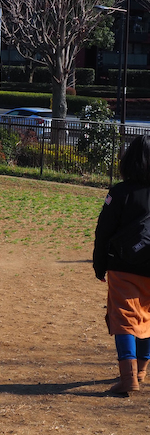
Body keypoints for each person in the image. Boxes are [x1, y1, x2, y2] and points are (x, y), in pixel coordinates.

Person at [93, 134, 150, 395]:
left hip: (124, 265)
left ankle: (128, 379)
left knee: (125, 319)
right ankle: (141, 371)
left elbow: (103, 230)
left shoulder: (119, 192)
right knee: (148, 318)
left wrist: (99, 263)